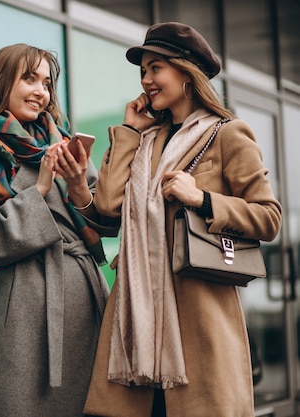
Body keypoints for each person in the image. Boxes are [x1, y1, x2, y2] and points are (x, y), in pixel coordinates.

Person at [83, 22, 282, 417]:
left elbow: (268, 217)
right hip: (135, 330)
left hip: (198, 326)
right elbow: (106, 206)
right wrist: (126, 132)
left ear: (187, 72)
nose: (146, 79)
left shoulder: (227, 134)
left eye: (156, 67)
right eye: (143, 71)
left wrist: (203, 198)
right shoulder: (143, 139)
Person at [0, 43, 115, 416]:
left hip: (87, 297)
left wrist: (75, 185)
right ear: (1, 83)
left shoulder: (65, 143)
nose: (41, 91)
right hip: (25, 306)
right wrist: (38, 189)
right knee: (21, 404)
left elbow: (106, 220)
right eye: (29, 79)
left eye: (46, 82)